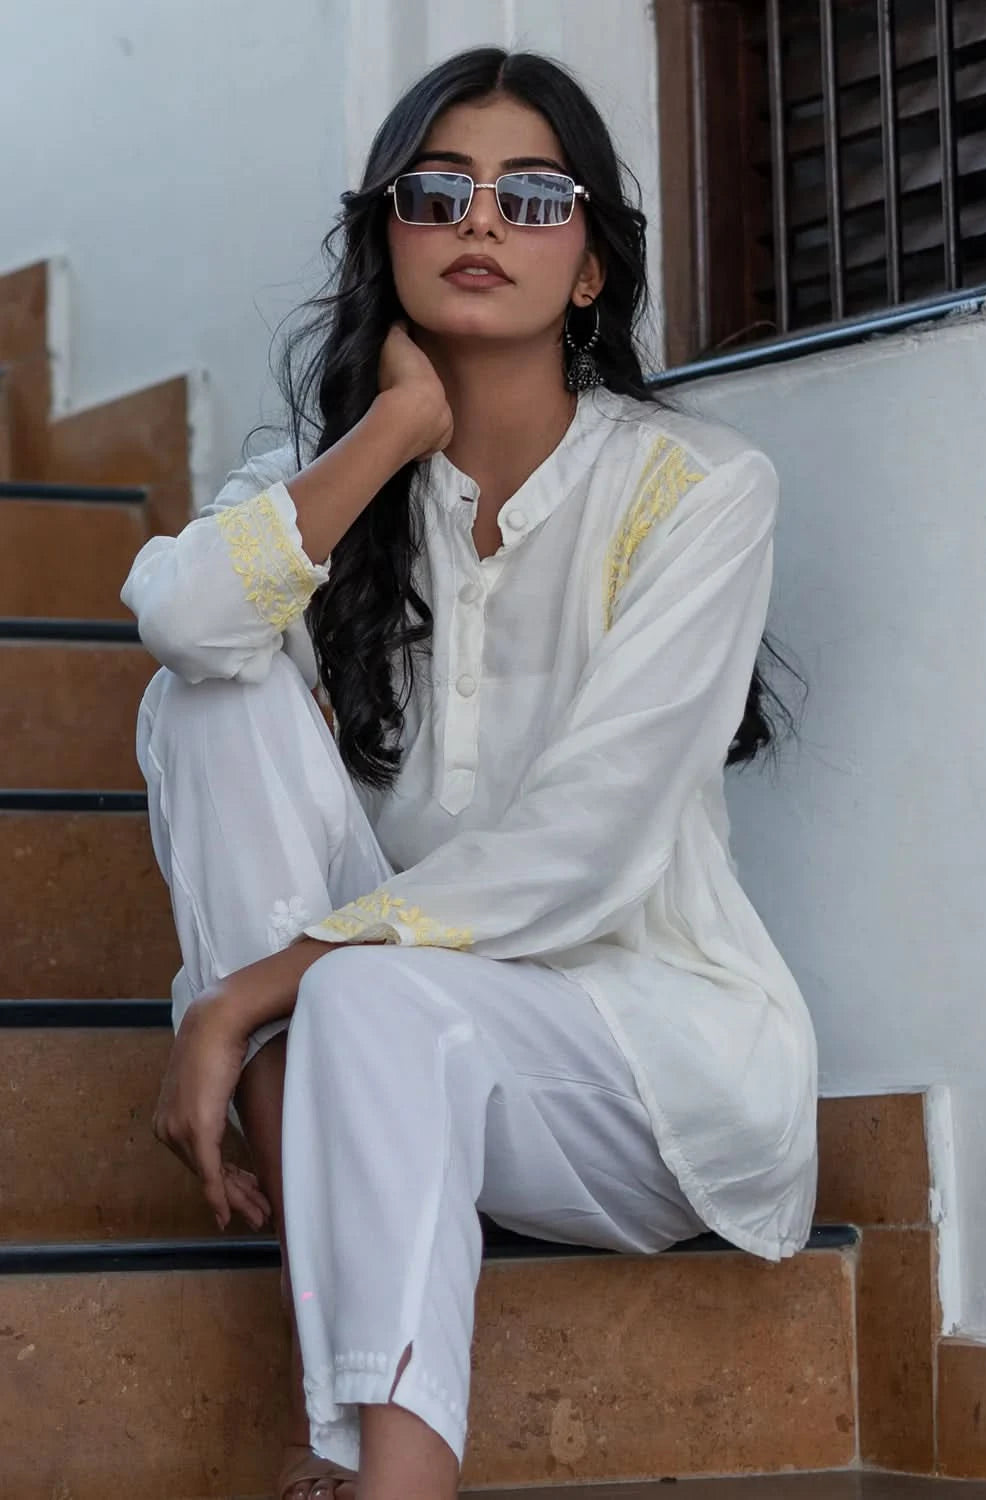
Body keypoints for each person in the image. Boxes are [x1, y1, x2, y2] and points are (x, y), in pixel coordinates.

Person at [121, 45, 818, 1500]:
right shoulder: (336, 481)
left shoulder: (699, 493)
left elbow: (583, 846)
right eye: (437, 193)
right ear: (390, 237)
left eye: (531, 194)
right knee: (210, 698)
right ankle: (359, 1382)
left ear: (590, 270)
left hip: (643, 1070)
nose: (480, 221)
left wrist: (244, 996)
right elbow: (183, 618)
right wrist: (389, 435)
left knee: (371, 989)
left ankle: (392, 1476)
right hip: (392, 1038)